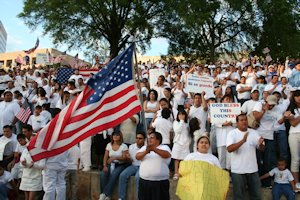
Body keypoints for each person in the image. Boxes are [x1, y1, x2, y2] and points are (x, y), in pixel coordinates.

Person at [226, 114, 265, 200]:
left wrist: (261, 144)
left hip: (253, 169)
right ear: (237, 123)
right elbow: (229, 149)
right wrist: (243, 141)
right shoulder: (232, 133)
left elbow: (262, 149)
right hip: (238, 171)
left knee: (257, 196)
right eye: (241, 120)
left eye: (245, 120)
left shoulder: (254, 132)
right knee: (238, 197)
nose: (244, 122)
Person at [136, 132, 171, 200]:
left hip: (160, 183)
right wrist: (146, 151)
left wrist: (154, 149)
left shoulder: (164, 147)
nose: (149, 139)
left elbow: (167, 155)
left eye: (152, 137)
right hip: (144, 182)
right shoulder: (144, 148)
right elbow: (137, 156)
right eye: (149, 138)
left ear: (158, 140)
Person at [99, 131, 129, 200]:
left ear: (120, 137)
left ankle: (104, 194)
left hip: (120, 164)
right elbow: (105, 156)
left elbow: (125, 158)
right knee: (103, 174)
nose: (115, 136)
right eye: (114, 135)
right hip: (110, 164)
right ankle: (107, 195)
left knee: (114, 175)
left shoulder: (124, 146)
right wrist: (104, 165)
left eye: (117, 135)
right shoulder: (109, 145)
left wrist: (115, 158)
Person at [118, 132, 146, 200]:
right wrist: (128, 158)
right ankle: (121, 198)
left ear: (144, 139)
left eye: (140, 138)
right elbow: (130, 161)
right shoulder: (131, 146)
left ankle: (138, 198)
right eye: (136, 138)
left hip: (143, 166)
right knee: (122, 175)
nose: (138, 140)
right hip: (133, 166)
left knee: (137, 177)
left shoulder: (147, 147)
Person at [285, 89, 300, 190]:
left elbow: (295, 120)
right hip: (294, 135)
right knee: (296, 159)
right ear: (293, 98)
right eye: (297, 96)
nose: (299, 98)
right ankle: (297, 183)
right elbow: (293, 123)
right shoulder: (290, 109)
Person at [171, 110, 191, 180]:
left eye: (183, 114)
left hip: (185, 143)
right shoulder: (175, 122)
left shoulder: (187, 123)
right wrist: (181, 121)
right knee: (177, 159)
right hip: (178, 143)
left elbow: (188, 133)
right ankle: (176, 173)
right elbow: (178, 130)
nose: (181, 116)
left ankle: (181, 172)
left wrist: (188, 141)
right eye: (179, 114)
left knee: (184, 159)